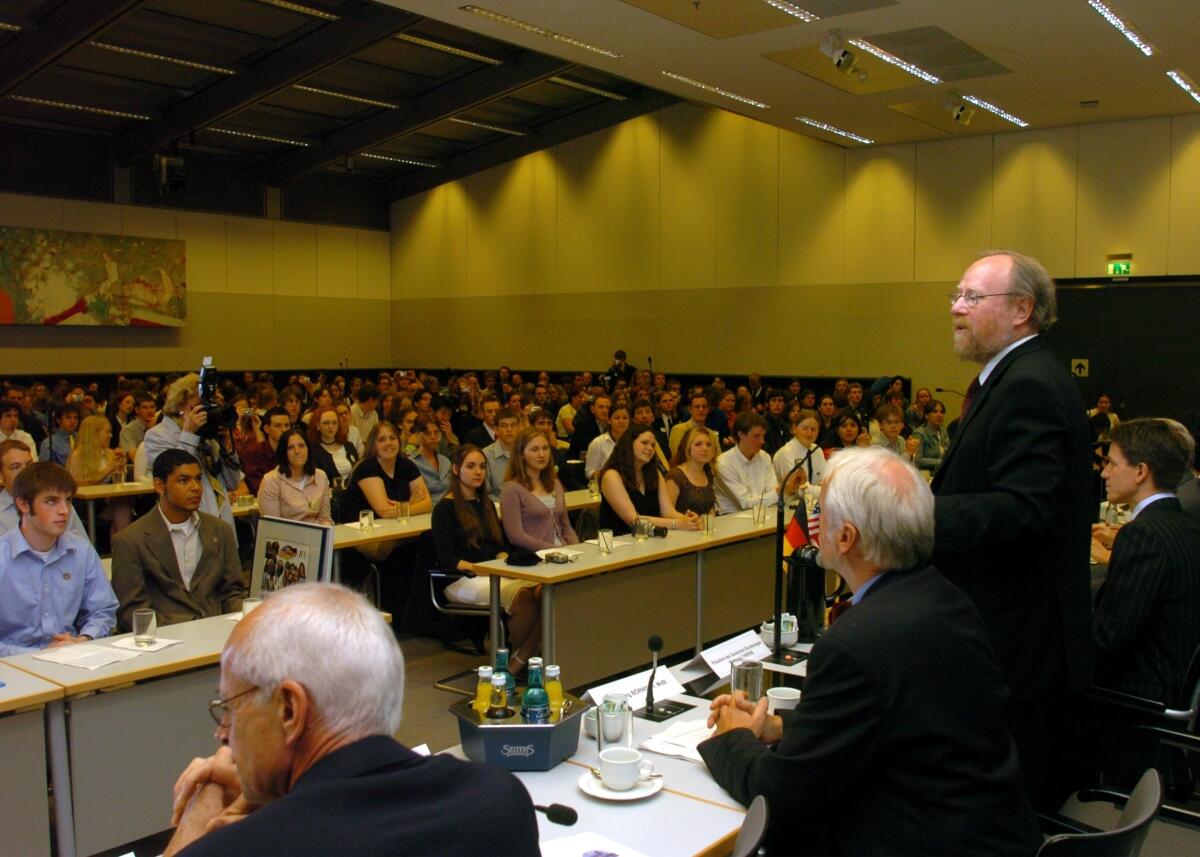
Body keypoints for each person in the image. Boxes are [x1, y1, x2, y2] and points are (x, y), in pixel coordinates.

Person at [698, 447, 1041, 856]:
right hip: (990, 833)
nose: (814, 525)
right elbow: (898, 719)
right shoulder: (946, 599)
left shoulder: (855, 644)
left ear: (846, 538)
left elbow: (781, 795)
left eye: (820, 513)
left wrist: (734, 736)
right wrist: (780, 727)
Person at [162, 583, 539, 857]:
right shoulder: (499, 801)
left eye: (230, 706)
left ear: (289, 710)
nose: (222, 732)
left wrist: (203, 806)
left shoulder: (234, 846)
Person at [931, 250, 1092, 811]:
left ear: (1022, 309)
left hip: (1014, 641)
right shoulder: (1014, 378)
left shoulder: (1030, 386)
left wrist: (913, 514)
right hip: (1008, 632)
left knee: (1001, 811)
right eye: (956, 294)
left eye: (973, 298)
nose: (956, 308)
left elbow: (1024, 512)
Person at [1092, 419, 1200, 701]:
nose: (1104, 473)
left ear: (1141, 471)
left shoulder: (1142, 534)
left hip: (1142, 697)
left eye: (1112, 464)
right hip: (1175, 685)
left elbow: (1108, 640)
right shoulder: (1185, 524)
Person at [432, 445, 541, 672]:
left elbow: (500, 545)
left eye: (482, 466)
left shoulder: (487, 503)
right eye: (470, 466)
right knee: (523, 597)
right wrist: (481, 568)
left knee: (543, 592)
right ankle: (518, 663)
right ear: (455, 469)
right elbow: (446, 558)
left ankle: (517, 663)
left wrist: (500, 561)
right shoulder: (445, 508)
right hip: (460, 579)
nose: (478, 472)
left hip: (493, 573)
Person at [111, 450, 244, 632]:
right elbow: (132, 613)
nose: (195, 487)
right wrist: (191, 627)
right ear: (159, 486)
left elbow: (232, 592)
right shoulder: (130, 540)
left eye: (198, 479)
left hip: (219, 633)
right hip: (163, 638)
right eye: (183, 480)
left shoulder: (220, 530)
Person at [0, 461, 118, 655]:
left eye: (68, 500)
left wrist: (84, 639)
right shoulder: (3, 557)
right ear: (23, 504)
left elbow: (103, 609)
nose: (64, 510)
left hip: (71, 655)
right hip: (14, 667)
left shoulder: (81, 550)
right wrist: (38, 654)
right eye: (51, 501)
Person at [144, 374, 243, 541]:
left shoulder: (208, 436)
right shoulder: (157, 435)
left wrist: (226, 442)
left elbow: (232, 482)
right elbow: (175, 473)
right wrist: (189, 434)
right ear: (179, 406)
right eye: (195, 407)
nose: (203, 413)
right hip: (186, 528)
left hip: (222, 525)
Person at [598, 428, 701, 535]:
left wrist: (689, 520)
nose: (650, 448)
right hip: (619, 543)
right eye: (644, 443)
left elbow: (667, 511)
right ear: (629, 444)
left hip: (651, 539)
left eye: (653, 445)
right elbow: (634, 521)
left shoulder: (655, 474)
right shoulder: (611, 475)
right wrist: (678, 523)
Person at [339, 421, 431, 528]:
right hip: (363, 532)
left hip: (396, 527)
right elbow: (385, 512)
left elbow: (427, 504)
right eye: (382, 440)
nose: (388, 443)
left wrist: (401, 508)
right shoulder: (366, 468)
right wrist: (410, 505)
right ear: (373, 445)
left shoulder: (407, 465)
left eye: (392, 438)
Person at [500, 427, 579, 550]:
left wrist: (576, 547)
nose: (542, 455)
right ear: (521, 455)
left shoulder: (556, 484)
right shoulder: (511, 489)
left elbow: (566, 527)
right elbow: (516, 536)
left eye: (545, 448)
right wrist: (554, 550)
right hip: (536, 557)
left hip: (564, 553)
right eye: (535, 449)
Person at [0, 439, 88, 538]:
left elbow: (84, 548)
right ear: (1, 475)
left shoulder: (60, 504)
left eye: (29, 464)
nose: (26, 471)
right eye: (15, 467)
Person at [66, 414, 132, 532]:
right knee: (120, 507)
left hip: (105, 501)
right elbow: (79, 486)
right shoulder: (77, 456)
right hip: (84, 504)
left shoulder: (109, 454)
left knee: (122, 505)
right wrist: (107, 470)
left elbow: (117, 482)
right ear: (94, 434)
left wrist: (121, 467)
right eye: (107, 432)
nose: (111, 436)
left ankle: (120, 547)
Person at [256, 430, 332, 526]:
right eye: (290, 447)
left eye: (301, 446)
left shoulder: (321, 476)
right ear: (283, 452)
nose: (297, 451)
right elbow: (274, 527)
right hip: (286, 538)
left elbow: (325, 519)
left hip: (317, 537)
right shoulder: (271, 480)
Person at [714, 412, 779, 514]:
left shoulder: (764, 457)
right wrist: (777, 494)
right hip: (732, 519)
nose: (762, 441)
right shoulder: (724, 463)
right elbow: (744, 503)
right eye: (756, 436)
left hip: (765, 514)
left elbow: (772, 490)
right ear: (741, 434)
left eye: (763, 436)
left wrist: (775, 494)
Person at [773, 409, 827, 503]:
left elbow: (825, 482)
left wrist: (823, 490)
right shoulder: (786, 453)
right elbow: (799, 490)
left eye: (814, 429)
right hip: (788, 507)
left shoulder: (817, 450)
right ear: (794, 428)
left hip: (813, 505)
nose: (809, 433)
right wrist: (824, 491)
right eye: (805, 428)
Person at [236, 407, 291, 496]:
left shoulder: (296, 450)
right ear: (266, 429)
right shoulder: (253, 454)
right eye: (278, 426)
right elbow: (259, 488)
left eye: (287, 425)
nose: (284, 430)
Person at [665, 424, 717, 516]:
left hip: (705, 528)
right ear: (687, 448)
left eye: (709, 444)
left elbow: (710, 507)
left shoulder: (708, 471)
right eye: (698, 444)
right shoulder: (675, 476)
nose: (705, 448)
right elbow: (666, 514)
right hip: (681, 529)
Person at [308, 406, 358, 485]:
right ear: (317, 425)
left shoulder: (349, 446)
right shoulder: (311, 450)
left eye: (334, 423)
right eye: (326, 423)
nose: (331, 426)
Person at [408, 416, 452, 504]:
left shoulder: (445, 461)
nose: (433, 437)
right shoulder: (411, 463)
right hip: (425, 511)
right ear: (418, 434)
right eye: (427, 433)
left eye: (436, 432)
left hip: (448, 508)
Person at [584, 402, 630, 479]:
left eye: (625, 418)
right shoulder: (598, 442)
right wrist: (608, 478)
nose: (621, 421)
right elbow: (589, 472)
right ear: (609, 420)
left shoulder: (634, 441)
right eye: (617, 418)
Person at [483, 408, 520, 501]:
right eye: (504, 426)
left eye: (513, 425)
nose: (509, 430)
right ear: (496, 429)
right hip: (499, 508)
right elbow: (485, 493)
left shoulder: (527, 452)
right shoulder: (485, 455)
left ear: (519, 427)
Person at [668, 391, 719, 457]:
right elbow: (678, 456)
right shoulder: (678, 430)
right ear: (690, 410)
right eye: (697, 407)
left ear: (708, 409)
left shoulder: (712, 434)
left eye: (704, 406)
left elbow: (717, 459)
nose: (701, 409)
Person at [913, 398, 950, 472]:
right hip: (926, 474)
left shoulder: (943, 431)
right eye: (935, 412)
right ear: (926, 415)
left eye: (942, 412)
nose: (939, 415)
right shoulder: (919, 433)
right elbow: (918, 460)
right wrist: (940, 462)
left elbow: (948, 452)